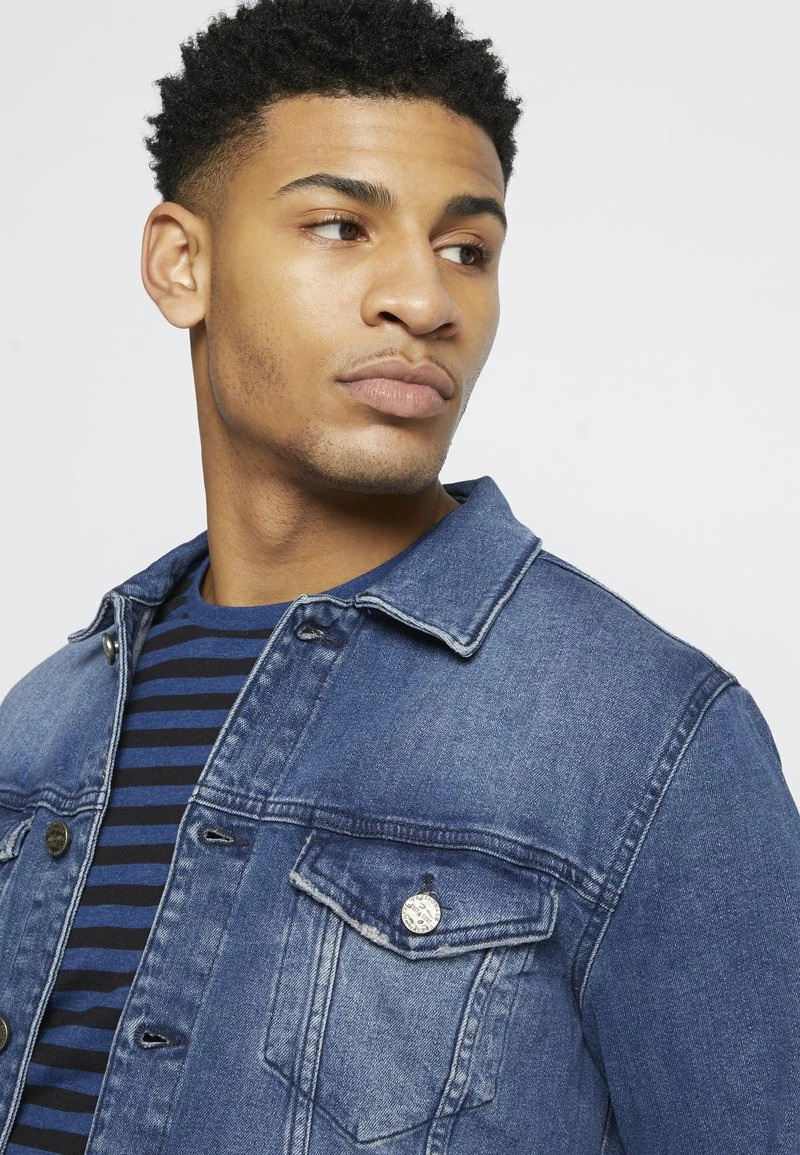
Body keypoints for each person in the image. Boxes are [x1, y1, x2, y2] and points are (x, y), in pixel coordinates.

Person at [0, 0, 797, 1151]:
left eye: (466, 250)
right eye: (340, 227)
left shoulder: (646, 742)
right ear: (182, 264)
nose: (424, 302)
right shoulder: (40, 729)